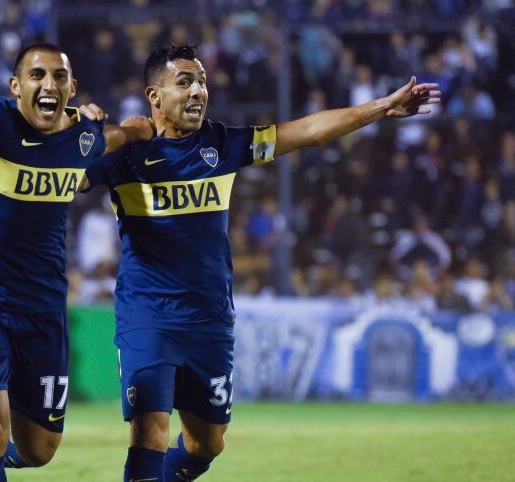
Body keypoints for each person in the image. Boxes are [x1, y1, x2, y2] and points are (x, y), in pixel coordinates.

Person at [83, 44, 441, 481]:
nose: (198, 91)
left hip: (210, 321)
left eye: (201, 82)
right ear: (153, 96)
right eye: (184, 82)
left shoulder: (222, 144)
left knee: (205, 445)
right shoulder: (125, 154)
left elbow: (307, 131)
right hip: (147, 315)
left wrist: (382, 107)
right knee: (150, 432)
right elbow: (65, 173)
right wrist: (89, 131)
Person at [0, 0, 152, 481]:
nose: (48, 84)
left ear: (72, 88)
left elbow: (119, 136)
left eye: (58, 76)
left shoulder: (81, 140)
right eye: (36, 75)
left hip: (41, 306)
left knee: (39, 450)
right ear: (15, 86)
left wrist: (143, 127)